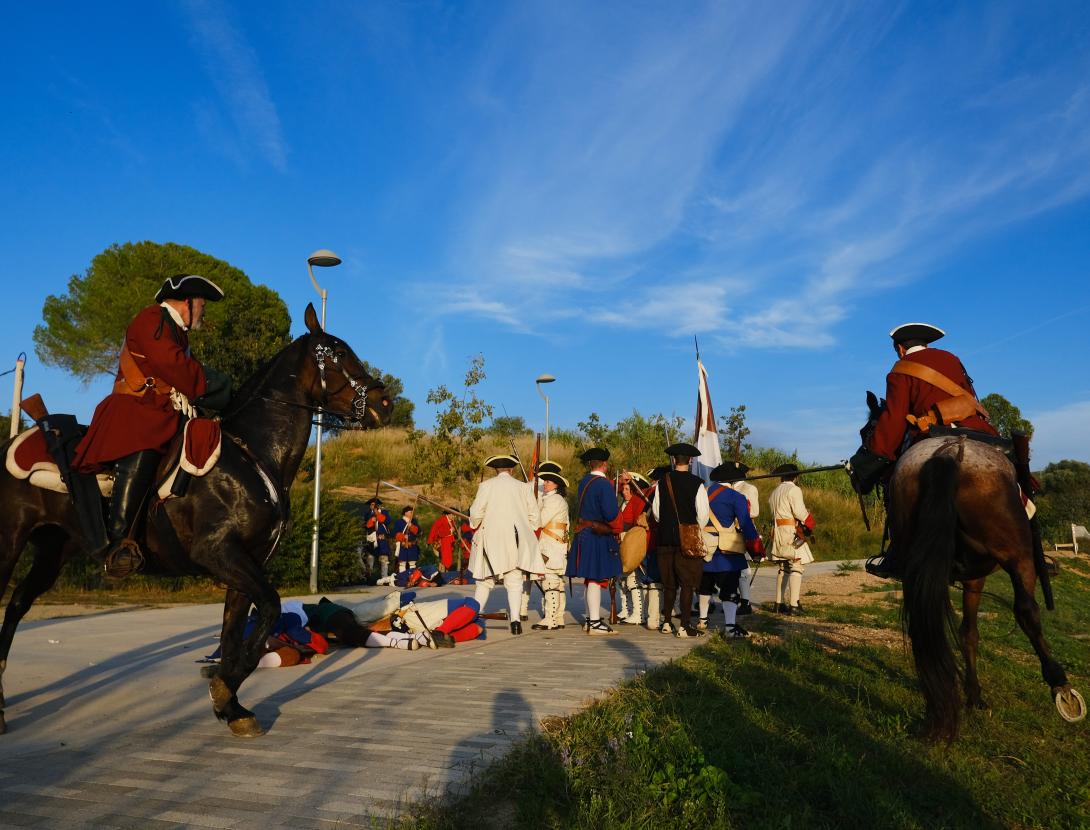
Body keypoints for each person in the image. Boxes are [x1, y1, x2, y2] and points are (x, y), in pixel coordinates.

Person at [72, 274, 230, 578]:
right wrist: (224, 388)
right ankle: (118, 542)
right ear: (187, 302)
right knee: (145, 443)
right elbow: (177, 368)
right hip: (136, 411)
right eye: (202, 303)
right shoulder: (151, 320)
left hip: (162, 412)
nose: (204, 310)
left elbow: (188, 372)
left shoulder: (178, 333)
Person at [849, 323, 1000, 578]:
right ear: (927, 344)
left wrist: (872, 457)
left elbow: (894, 420)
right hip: (976, 431)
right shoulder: (952, 359)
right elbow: (971, 397)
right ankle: (1031, 541)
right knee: (1014, 470)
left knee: (897, 485)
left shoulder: (899, 371)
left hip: (930, 434)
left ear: (900, 349)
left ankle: (897, 554)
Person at [467, 454, 541, 634]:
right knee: (514, 582)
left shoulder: (486, 486)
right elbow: (535, 517)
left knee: (485, 582)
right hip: (515, 539)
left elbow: (475, 512)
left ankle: (472, 619)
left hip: (490, 538)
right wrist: (527, 528)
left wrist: (474, 523)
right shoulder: (524, 487)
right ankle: (515, 622)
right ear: (512, 469)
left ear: (495, 470)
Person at [651, 443, 710, 638]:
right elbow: (703, 515)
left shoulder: (662, 481)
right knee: (687, 584)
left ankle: (667, 622)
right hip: (687, 541)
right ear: (690, 460)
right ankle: (684, 626)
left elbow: (657, 513)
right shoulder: (697, 483)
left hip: (664, 539)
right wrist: (692, 529)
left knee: (669, 584)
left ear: (674, 460)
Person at [700, 463, 765, 638]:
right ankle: (730, 627)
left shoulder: (703, 493)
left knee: (705, 585)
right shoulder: (736, 497)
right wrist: (757, 550)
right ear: (733, 480)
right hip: (726, 550)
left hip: (703, 546)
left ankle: (702, 620)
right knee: (729, 588)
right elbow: (746, 524)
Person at [566, 448, 623, 635]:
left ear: (590, 464)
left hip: (585, 532)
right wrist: (617, 526)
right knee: (595, 579)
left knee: (591, 579)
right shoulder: (604, 484)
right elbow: (611, 513)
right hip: (597, 534)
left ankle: (591, 620)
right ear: (605, 464)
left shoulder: (584, 481)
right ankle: (595, 622)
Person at [768, 464, 815, 615]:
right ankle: (794, 605)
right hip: (790, 531)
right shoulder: (794, 489)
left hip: (777, 532)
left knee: (783, 567)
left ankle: (778, 603)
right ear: (795, 476)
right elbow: (800, 513)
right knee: (796, 566)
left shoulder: (775, 491)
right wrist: (810, 522)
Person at [531, 471, 570, 630]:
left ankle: (550, 619)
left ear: (556, 485)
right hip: (555, 543)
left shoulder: (554, 500)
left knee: (550, 581)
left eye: (548, 481)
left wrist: (532, 507)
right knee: (557, 582)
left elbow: (540, 521)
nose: (545, 484)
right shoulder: (556, 499)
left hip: (551, 545)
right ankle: (558, 617)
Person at [616, 473, 650, 625]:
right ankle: (627, 609)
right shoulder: (623, 504)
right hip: (622, 540)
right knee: (622, 580)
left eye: (628, 489)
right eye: (623, 489)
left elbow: (635, 523)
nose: (624, 492)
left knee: (632, 579)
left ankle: (638, 613)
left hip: (631, 542)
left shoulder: (637, 502)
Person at [727, 463, 760, 615]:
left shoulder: (749, 488)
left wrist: (738, 512)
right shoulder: (728, 488)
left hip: (743, 529)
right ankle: (734, 600)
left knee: (743, 569)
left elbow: (755, 511)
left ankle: (745, 601)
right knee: (732, 568)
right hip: (729, 531)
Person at [367, 499, 393, 579]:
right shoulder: (368, 514)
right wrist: (371, 520)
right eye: (371, 505)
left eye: (374, 504)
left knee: (384, 558)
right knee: (370, 558)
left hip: (382, 540)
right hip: (372, 539)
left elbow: (386, 521)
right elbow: (367, 526)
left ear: (377, 506)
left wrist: (377, 514)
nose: (372, 506)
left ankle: (384, 577)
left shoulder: (384, 512)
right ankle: (369, 577)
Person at [393, 506, 421, 573]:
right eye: (410, 512)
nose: (412, 514)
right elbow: (395, 533)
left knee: (412, 563)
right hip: (403, 545)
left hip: (412, 545)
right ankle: (402, 578)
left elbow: (419, 531)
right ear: (405, 513)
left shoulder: (414, 521)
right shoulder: (399, 522)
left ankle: (412, 578)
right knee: (402, 564)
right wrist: (403, 536)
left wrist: (411, 526)